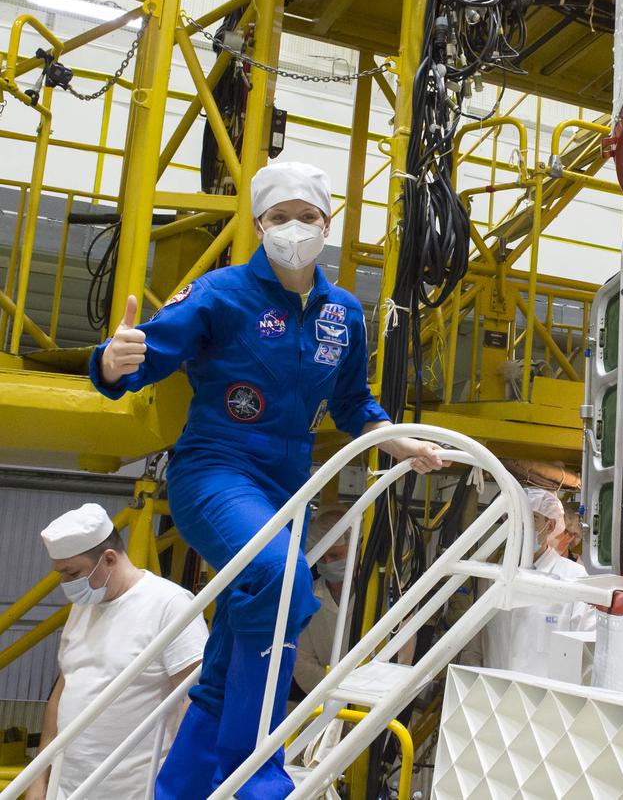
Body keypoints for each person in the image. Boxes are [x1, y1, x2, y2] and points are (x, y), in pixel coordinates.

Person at [89, 161, 445, 799]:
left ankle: (183, 787)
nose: (294, 230)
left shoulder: (342, 314)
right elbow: (145, 354)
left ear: (327, 223)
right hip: (214, 472)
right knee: (279, 581)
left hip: (290, 491)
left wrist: (393, 440)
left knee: (238, 638)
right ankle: (254, 770)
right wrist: (112, 363)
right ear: (259, 225)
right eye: (279, 218)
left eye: (306, 217)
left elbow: (352, 404)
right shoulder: (221, 293)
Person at [25, 504, 208, 800]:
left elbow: (194, 700)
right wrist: (38, 781)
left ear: (108, 558)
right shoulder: (84, 606)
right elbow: (62, 693)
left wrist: (181, 788)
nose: (66, 584)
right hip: (67, 788)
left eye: (72, 573)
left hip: (134, 792)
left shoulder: (169, 604)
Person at [480, 488, 596, 676]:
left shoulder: (574, 578)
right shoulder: (493, 575)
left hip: (547, 700)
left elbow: (589, 652)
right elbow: (476, 646)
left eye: (531, 519)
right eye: (513, 517)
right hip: (494, 695)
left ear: (550, 526)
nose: (519, 525)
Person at [293, 505, 354, 695]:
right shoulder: (307, 596)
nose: (328, 563)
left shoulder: (381, 595)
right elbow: (301, 663)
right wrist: (338, 695)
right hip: (320, 700)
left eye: (335, 555)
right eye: (322, 556)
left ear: (356, 548)